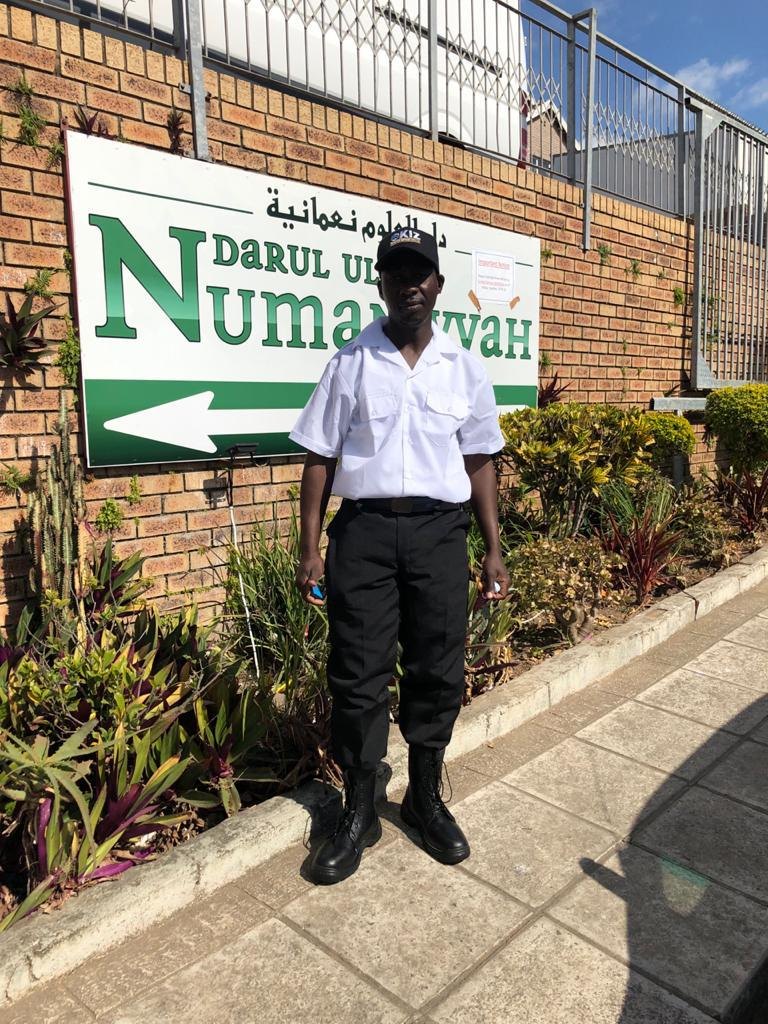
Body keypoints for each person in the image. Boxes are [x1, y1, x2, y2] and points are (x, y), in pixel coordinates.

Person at [289, 226, 509, 886]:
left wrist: (494, 548)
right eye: (397, 272)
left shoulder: (463, 368)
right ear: (381, 283)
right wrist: (308, 549)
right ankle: (359, 810)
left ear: (438, 285)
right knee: (357, 674)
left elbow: (480, 460)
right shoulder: (350, 363)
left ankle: (422, 795)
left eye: (421, 273)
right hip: (363, 535)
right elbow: (319, 458)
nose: (410, 283)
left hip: (440, 535)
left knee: (438, 666)